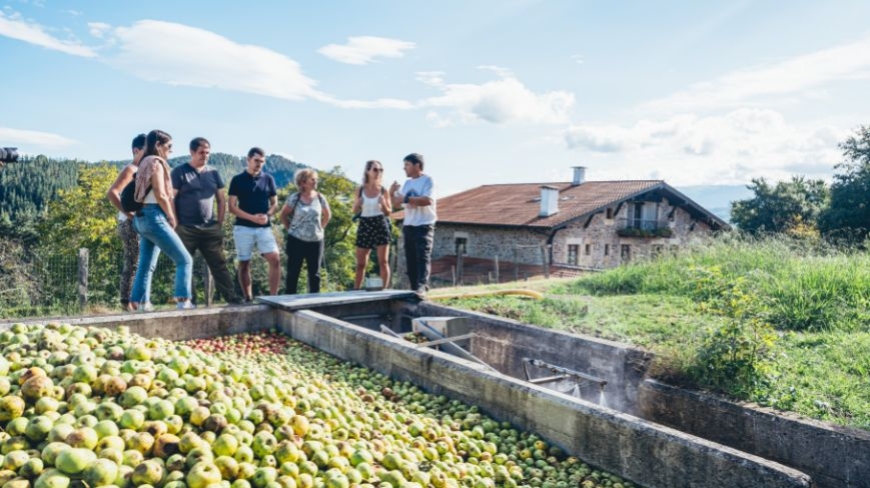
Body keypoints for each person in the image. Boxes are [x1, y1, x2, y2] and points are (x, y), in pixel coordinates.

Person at [129, 130, 195, 310]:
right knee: (185, 260)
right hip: (153, 216)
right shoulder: (156, 163)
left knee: (146, 264)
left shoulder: (143, 162)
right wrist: (171, 216)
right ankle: (183, 301)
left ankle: (141, 303)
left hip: (140, 218)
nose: (171, 151)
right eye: (169, 146)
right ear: (158, 145)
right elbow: (160, 193)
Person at [171, 137, 240, 305]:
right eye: (202, 152)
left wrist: (220, 222)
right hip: (186, 228)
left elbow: (221, 199)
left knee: (219, 265)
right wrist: (176, 222)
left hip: (210, 228)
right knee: (185, 265)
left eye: (207, 153)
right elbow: (171, 198)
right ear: (192, 152)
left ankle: (231, 299)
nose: (205, 156)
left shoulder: (213, 173)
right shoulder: (179, 172)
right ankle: (190, 301)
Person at [228, 147, 281, 301]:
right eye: (256, 160)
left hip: (264, 227)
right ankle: (248, 298)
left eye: (262, 162)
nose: (259, 164)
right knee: (244, 263)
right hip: (243, 227)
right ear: (248, 159)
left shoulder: (268, 179)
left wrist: (268, 215)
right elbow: (232, 207)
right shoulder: (237, 180)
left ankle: (274, 298)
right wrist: (252, 218)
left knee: (275, 258)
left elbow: (275, 203)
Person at [106, 133, 146, 311]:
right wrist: (129, 215)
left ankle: (138, 300)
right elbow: (112, 192)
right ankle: (127, 302)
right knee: (134, 261)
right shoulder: (131, 169)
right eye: (146, 150)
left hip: (140, 221)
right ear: (135, 150)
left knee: (141, 261)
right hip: (130, 223)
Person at [390, 153, 436, 297]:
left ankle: (423, 286)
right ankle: (414, 288)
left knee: (422, 256)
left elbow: (428, 200)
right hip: (409, 224)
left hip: (424, 224)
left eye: (407, 165)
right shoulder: (408, 183)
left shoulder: (428, 180)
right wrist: (392, 193)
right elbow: (396, 203)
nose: (404, 169)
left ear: (417, 165)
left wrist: (406, 198)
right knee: (410, 257)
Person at [280, 169, 331, 294]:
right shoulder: (295, 198)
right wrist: (289, 229)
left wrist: (321, 228)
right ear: (303, 182)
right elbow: (283, 215)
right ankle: (289, 301)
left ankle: (314, 301)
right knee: (293, 272)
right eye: (312, 179)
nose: (315, 181)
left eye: (316, 179)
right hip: (296, 240)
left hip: (316, 241)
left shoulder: (320, 197)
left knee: (315, 274)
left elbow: (327, 215)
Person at [353, 160, 392, 289]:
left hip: (380, 223)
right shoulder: (360, 190)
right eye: (375, 170)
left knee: (383, 261)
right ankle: (355, 291)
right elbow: (354, 210)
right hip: (365, 223)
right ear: (367, 171)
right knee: (361, 264)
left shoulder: (383, 190)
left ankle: (383, 291)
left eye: (381, 170)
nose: (378, 173)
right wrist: (358, 204)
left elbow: (388, 212)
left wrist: (384, 204)